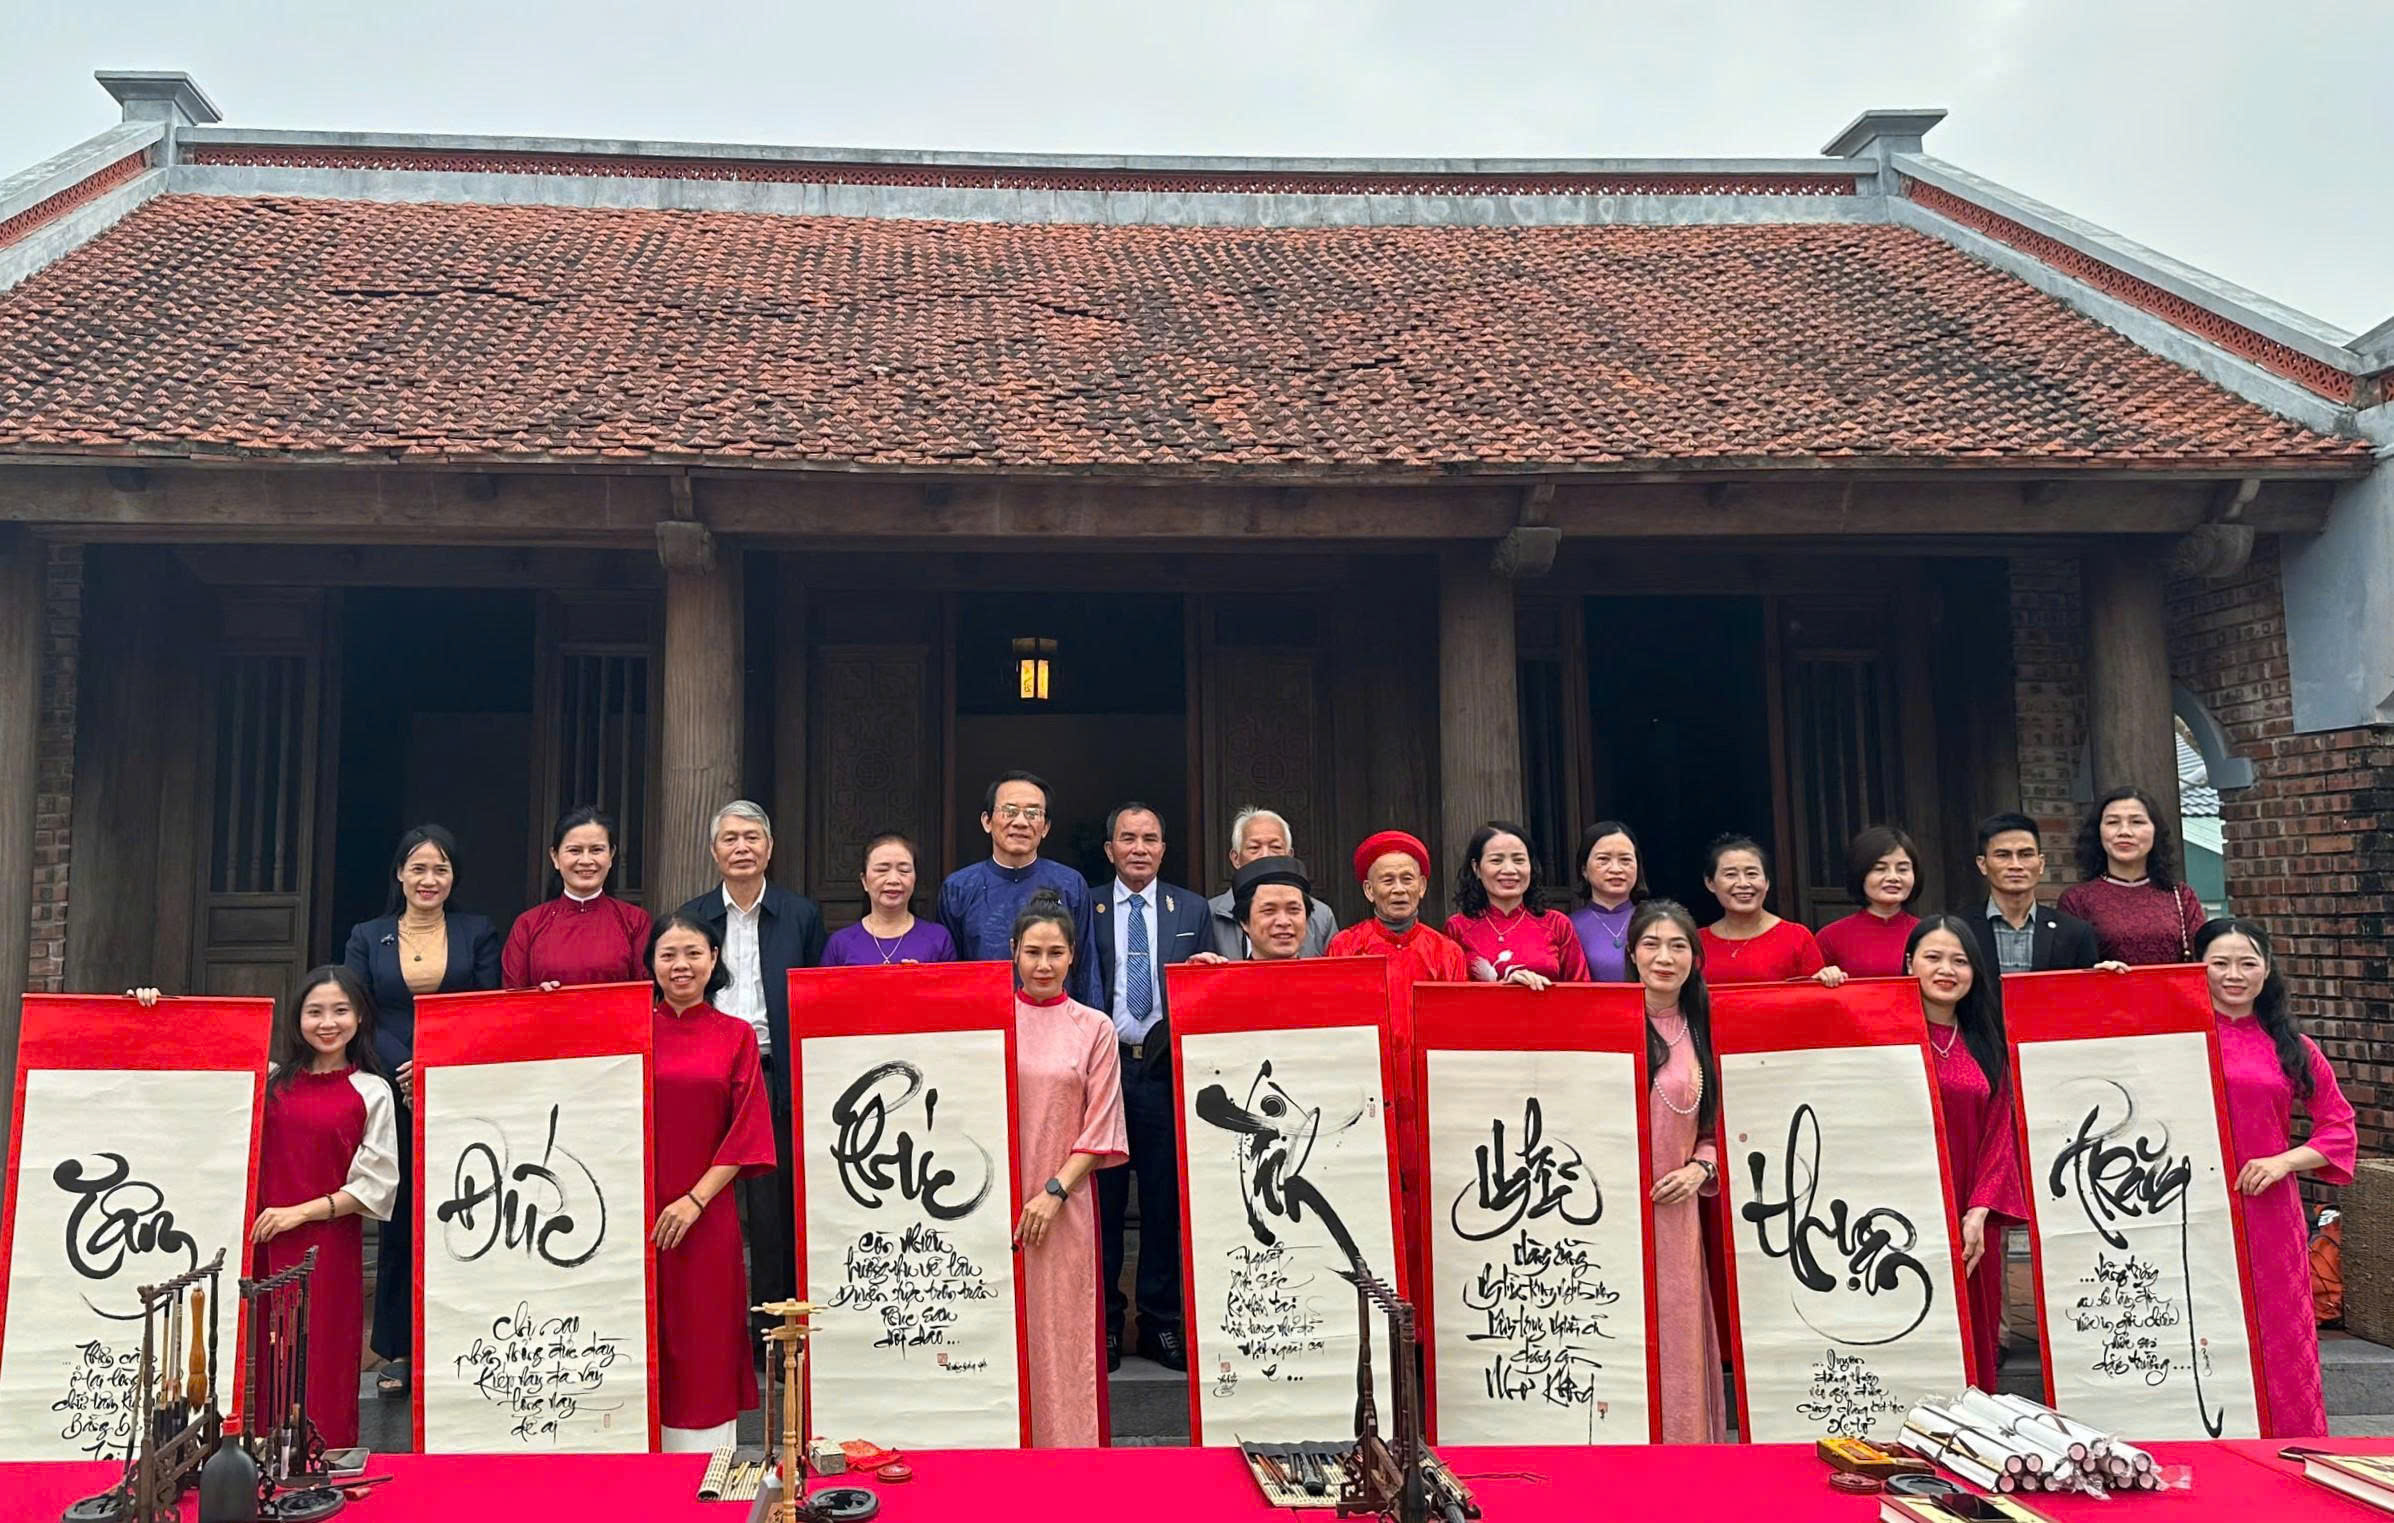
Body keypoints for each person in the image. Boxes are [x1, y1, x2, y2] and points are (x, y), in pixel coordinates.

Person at [339, 822, 500, 1399]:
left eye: (441, 869)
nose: (429, 879)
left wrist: (434, 1063)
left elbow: (486, 1007)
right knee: (401, 1218)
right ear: (400, 874)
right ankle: (398, 1347)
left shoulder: (478, 931)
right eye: (419, 868)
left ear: (453, 877)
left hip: (459, 1088)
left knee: (469, 1210)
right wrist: (404, 1069)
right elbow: (358, 1010)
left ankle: (463, 1339)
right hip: (393, 1091)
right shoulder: (368, 935)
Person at [209, 968, 399, 1452]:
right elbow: (193, 1052)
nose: (327, 1022)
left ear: (360, 1017)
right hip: (261, 1242)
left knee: (321, 1358)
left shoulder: (372, 1091)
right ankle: (256, 1463)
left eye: (340, 1011)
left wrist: (299, 1213)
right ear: (298, 1019)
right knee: (262, 1357)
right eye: (315, 1011)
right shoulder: (269, 1080)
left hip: (328, 1247)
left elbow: (375, 1186)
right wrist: (150, 1004)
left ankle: (324, 1462)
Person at [674, 801, 827, 1341]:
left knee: (772, 1210)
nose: (742, 847)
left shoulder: (800, 914)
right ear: (714, 851)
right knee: (702, 1196)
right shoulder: (693, 915)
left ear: (769, 847)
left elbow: (815, 996)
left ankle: (772, 1334)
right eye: (730, 838)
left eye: (752, 837)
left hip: (772, 1071)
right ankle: (705, 1330)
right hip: (705, 1071)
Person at [2198, 917, 2357, 1437]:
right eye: (2220, 963)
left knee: (2280, 1334)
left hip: (2267, 1209)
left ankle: (2291, 1447)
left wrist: (2283, 1161)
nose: (2234, 975)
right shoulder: (2171, 1038)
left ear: (2266, 971)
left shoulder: (2293, 1046)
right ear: (2197, 968)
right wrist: (2113, 981)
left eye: (2247, 963)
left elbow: (2339, 1127)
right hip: (2190, 1206)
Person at [646, 912, 776, 1451]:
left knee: (703, 1337)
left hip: (705, 1213)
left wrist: (694, 1201)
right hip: (636, 1214)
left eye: (693, 953)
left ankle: (706, 1471)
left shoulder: (735, 1036)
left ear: (714, 959)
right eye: (668, 954)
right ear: (651, 964)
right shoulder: (627, 1031)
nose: (681, 965)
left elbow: (747, 1132)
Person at [1087, 803, 1207, 1373]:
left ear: (1163, 848)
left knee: (1164, 1201)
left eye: (1150, 839)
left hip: (1162, 1070)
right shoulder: (1087, 904)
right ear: (1109, 849)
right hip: (1104, 1069)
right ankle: (1106, 1324)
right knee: (1104, 1201)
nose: (1139, 848)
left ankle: (1160, 1322)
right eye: (1128, 838)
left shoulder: (1191, 908)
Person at [1009, 889, 1130, 1446]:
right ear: (1014, 951)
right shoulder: (991, 1020)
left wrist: (1054, 1192)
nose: (1043, 965)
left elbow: (1102, 1126)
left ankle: (1068, 1453)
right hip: (995, 1200)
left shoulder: (1095, 1027)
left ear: (1073, 956)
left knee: (1063, 1329)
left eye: (1055, 953)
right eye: (1033, 952)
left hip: (1065, 1202)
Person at [1903, 915, 2026, 1388]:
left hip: (1969, 1209)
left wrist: (1979, 1210)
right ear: (1909, 963)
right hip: (1901, 1205)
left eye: (1960, 960)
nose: (1946, 970)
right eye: (1932, 957)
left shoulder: (1987, 1043)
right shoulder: (1881, 1038)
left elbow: (2000, 1133)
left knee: (1972, 1327)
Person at [1625, 900, 1727, 1444]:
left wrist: (1699, 1169)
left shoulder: (1706, 1028)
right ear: (1631, 954)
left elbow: (1723, 1127)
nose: (1664, 957)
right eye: (1651, 944)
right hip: (1611, 1211)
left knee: (1677, 1331)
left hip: (1675, 1211)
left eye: (1678, 946)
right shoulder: (1603, 1019)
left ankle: (1683, 1453)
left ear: (1695, 957)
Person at [939, 772, 1099, 1005]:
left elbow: (1087, 967)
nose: (1021, 822)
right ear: (987, 821)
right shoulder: (959, 887)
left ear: (1045, 827)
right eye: (1010, 811)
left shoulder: (1070, 884)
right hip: (984, 1017)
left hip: (1056, 1019)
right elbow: (948, 971)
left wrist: (1091, 1022)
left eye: (1033, 813)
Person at [504, 806, 653, 989]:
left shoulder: (635, 921)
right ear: (555, 857)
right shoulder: (527, 925)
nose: (586, 861)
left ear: (611, 855)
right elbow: (512, 996)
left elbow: (644, 993)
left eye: (596, 850)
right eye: (575, 850)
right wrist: (538, 996)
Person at [2057, 787, 2208, 966]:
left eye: (2137, 822)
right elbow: (2068, 968)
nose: (2124, 832)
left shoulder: (2181, 896)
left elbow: (2203, 959)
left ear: (2155, 831)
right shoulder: (2076, 900)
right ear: (2098, 832)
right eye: (2113, 822)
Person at [1445, 820, 1589, 988]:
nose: (1509, 870)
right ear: (1476, 868)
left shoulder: (1557, 924)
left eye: (1519, 860)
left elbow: (1582, 991)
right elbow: (1451, 995)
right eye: (1496, 860)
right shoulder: (1457, 927)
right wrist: (1505, 988)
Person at [1957, 812, 2104, 976]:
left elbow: (2087, 989)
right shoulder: (1958, 930)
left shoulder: (2075, 932)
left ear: (2041, 864)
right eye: (2003, 855)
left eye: (2025, 855)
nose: (2015, 865)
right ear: (1983, 864)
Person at [1322, 830, 1470, 982]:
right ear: (1369, 890)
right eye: (1388, 881)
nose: (1399, 889)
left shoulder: (1448, 953)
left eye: (1407, 879)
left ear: (1422, 886)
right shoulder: (1345, 947)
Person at [1696, 835, 1844, 986]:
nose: (1743, 883)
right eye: (1730, 875)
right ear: (1710, 883)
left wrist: (1828, 977)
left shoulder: (1797, 937)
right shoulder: (1696, 943)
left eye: (1752, 874)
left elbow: (1814, 995)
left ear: (1767, 882)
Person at [1205, 807, 1338, 958]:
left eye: (1275, 847)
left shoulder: (1321, 916)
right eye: (1254, 848)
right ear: (1235, 858)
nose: (1266, 856)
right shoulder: (1208, 914)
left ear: (1289, 855)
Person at [821, 833, 957, 966]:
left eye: (904, 870)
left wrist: (923, 977)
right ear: (864, 881)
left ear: (915, 879)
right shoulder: (840, 943)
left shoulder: (938, 938)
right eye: (882, 870)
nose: (893, 880)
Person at [1814, 826, 1923, 978]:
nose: (1893, 877)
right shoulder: (1830, 937)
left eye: (1902, 869)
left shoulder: (1928, 935)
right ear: (1860, 873)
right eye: (1880, 869)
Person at [1568, 820, 1646, 982]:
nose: (1616, 869)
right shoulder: (1568, 927)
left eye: (1625, 860)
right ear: (1584, 869)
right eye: (1603, 859)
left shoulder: (1655, 921)